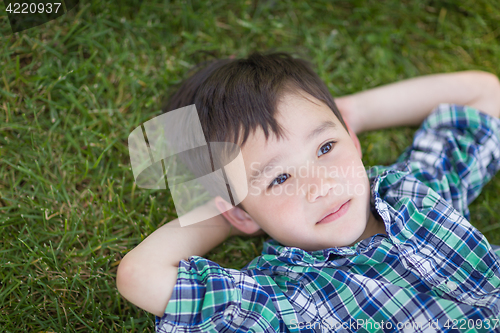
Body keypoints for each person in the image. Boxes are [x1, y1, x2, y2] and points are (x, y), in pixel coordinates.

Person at [116, 52, 500, 332]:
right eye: (279, 178)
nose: (321, 185)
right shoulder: (285, 298)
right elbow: (140, 274)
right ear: (242, 213)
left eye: (326, 147)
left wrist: (352, 112)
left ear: (350, 139)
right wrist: (230, 216)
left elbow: (484, 93)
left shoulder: (414, 191)